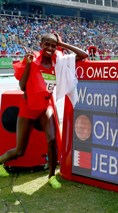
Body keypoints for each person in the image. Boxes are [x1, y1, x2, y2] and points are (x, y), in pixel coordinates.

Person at [0, 33, 88, 189]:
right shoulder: (32, 59)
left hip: (45, 107)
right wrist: (27, 64)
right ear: (41, 45)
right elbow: (22, 86)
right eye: (47, 44)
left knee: (52, 139)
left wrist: (63, 44)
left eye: (53, 46)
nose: (50, 48)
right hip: (28, 108)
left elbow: (84, 55)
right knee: (20, 151)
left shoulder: (58, 60)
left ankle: (52, 176)